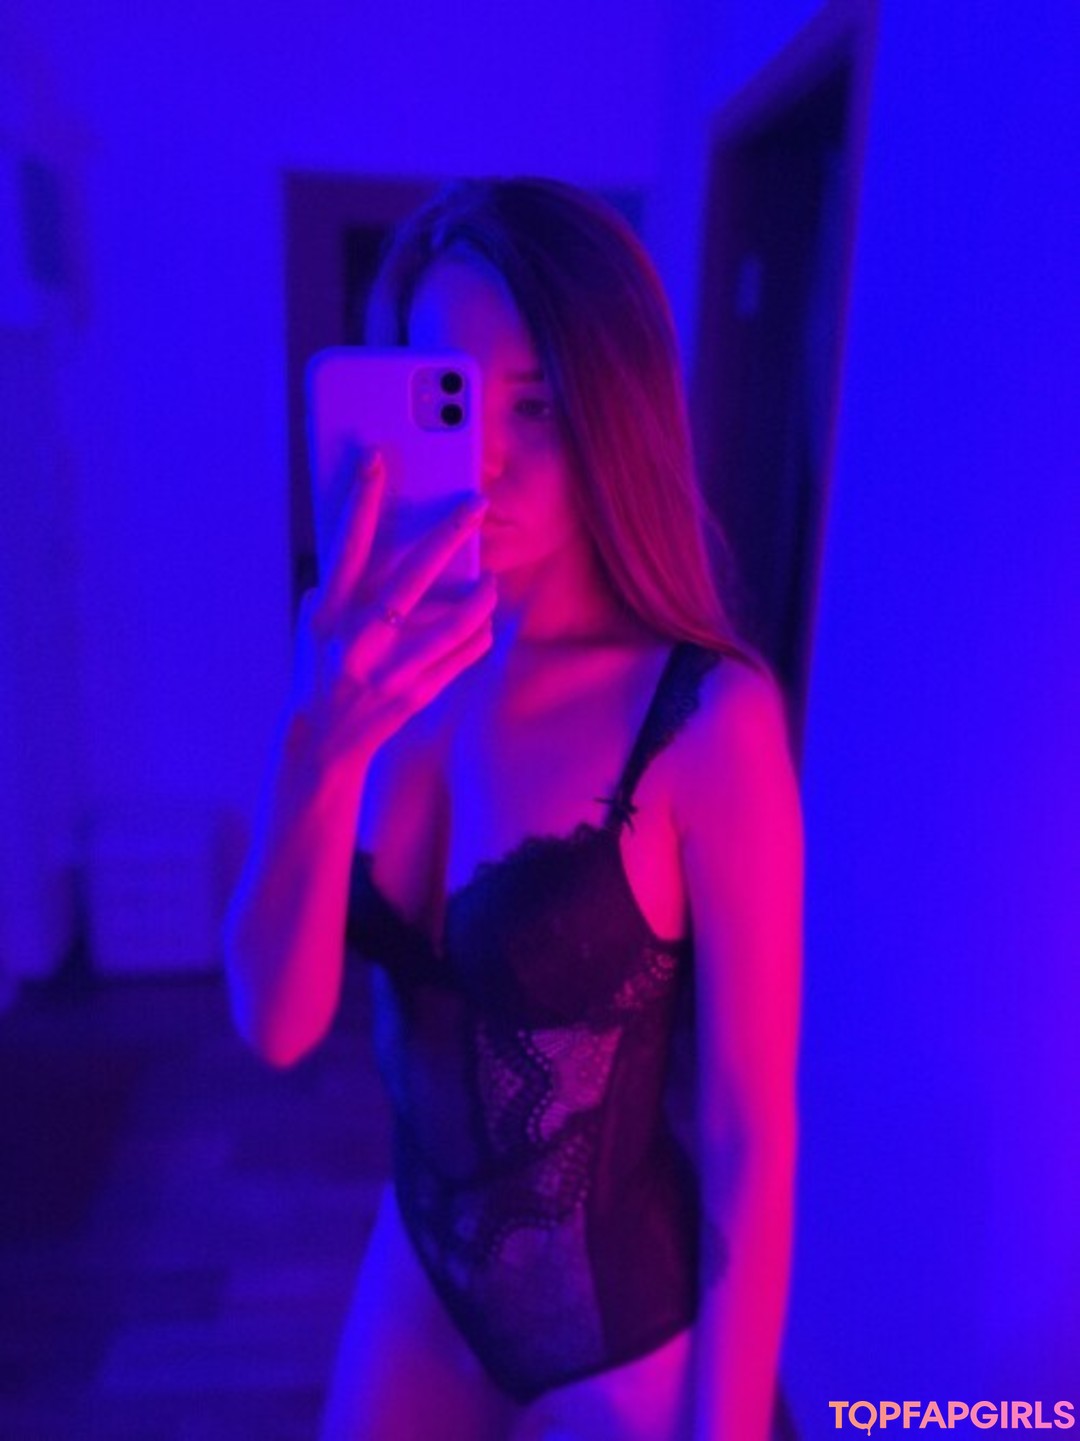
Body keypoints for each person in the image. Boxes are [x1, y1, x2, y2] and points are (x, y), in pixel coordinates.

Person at [223, 177, 804, 1441]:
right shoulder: (367, 662)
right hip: (413, 1276)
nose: (484, 455)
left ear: (614, 414)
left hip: (615, 1332)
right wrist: (316, 739)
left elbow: (750, 1135)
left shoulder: (706, 717)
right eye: (450, 395)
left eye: (536, 403)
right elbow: (277, 1023)